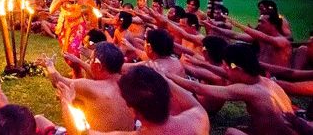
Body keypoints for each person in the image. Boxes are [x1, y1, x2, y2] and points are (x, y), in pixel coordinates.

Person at [168, 43, 295, 135]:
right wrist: (202, 64)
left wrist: (167, 76)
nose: (223, 71)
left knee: (231, 132)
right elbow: (228, 73)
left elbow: (198, 88)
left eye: (225, 67)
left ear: (238, 69)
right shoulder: (265, 81)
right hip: (290, 129)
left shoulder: (249, 90)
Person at [63, 66, 210, 134]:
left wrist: (67, 103)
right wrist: (163, 79)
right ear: (169, 94)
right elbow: (193, 102)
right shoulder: (198, 118)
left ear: (133, 111)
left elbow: (82, 133)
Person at [40, 42, 136, 132]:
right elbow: (98, 74)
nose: (88, 62)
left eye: (90, 60)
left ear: (98, 66)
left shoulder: (91, 87)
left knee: (39, 120)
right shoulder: (132, 84)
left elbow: (58, 82)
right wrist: (79, 61)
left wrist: (49, 65)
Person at [50, 0, 97, 78]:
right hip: (64, 25)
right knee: (66, 53)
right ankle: (76, 69)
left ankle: (78, 74)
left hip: (78, 25)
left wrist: (87, 6)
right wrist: (60, 1)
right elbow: (51, 11)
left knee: (74, 49)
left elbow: (92, 9)